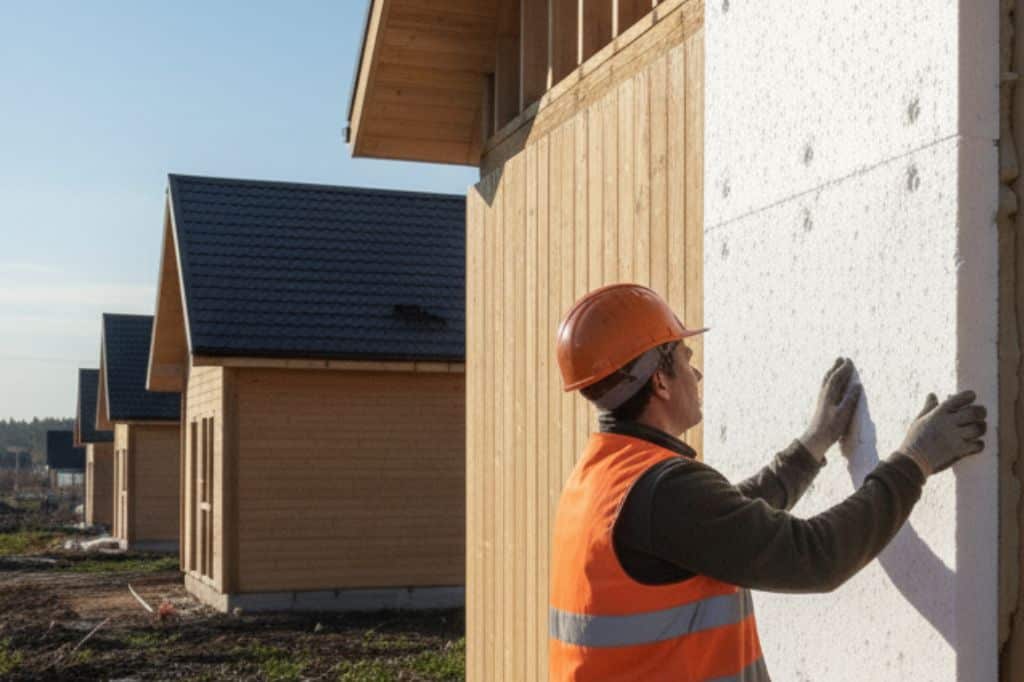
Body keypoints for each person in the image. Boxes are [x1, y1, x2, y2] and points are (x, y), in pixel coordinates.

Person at [548, 283, 988, 682]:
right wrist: (915, 460)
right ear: (661, 381)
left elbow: (722, 524)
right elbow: (816, 555)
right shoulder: (662, 492)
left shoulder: (602, 479)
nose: (697, 375)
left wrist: (810, 446)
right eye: (686, 360)